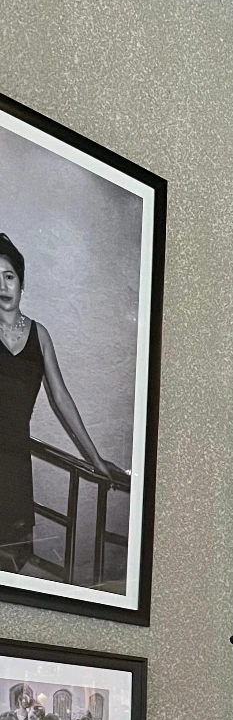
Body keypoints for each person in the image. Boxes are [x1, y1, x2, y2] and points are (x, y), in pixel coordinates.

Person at [0, 235, 118, 572]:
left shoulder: (40, 335)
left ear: (21, 283)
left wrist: (94, 458)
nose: (3, 286)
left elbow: (61, 397)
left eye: (9, 276)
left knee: (11, 565)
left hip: (15, 466)